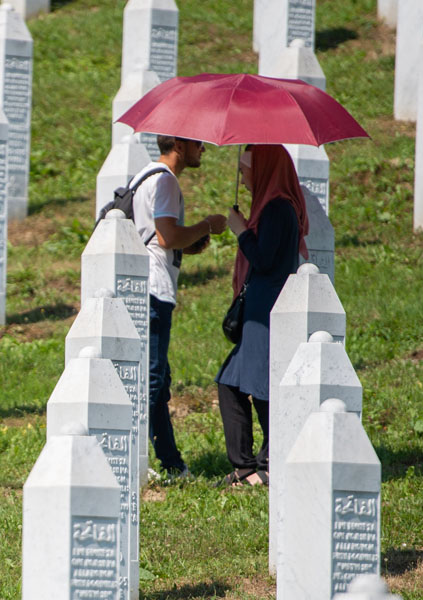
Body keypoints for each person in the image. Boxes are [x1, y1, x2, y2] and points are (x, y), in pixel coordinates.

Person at [131, 136, 227, 480]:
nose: (203, 148)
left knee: (157, 377)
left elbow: (161, 238)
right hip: (154, 290)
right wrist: (207, 226)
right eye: (197, 143)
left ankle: (172, 462)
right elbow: (166, 237)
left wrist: (190, 242)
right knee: (152, 379)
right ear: (179, 144)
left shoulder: (144, 175)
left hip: (141, 284)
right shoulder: (166, 180)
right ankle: (139, 459)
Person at [217, 144, 308, 487]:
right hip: (260, 310)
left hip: (269, 311)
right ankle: (247, 465)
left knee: (263, 387)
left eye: (246, 171)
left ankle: (266, 464)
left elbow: (266, 260)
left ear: (265, 170)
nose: (243, 179)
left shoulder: (277, 209)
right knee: (232, 383)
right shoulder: (271, 209)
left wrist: (241, 232)